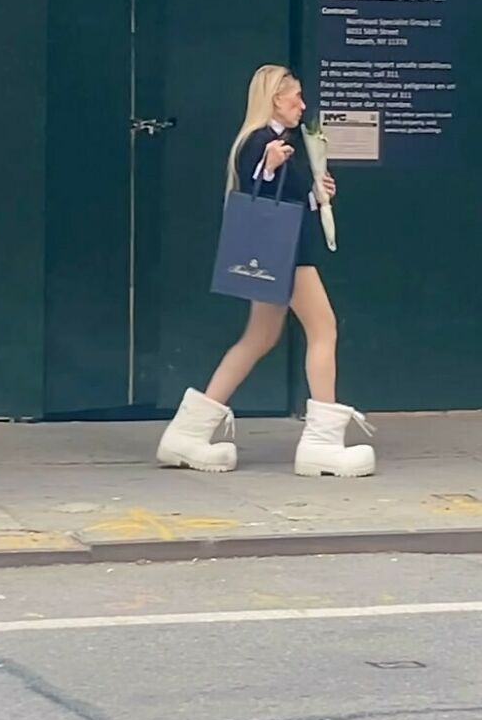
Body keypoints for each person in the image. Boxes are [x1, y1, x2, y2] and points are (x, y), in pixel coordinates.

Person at [157, 64, 375, 478]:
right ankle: (323, 444)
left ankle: (187, 433)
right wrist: (270, 166)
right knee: (323, 328)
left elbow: (280, 196)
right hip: (288, 253)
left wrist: (315, 194)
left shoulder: (277, 141)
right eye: (296, 97)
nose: (302, 105)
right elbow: (256, 180)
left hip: (278, 252)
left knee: (259, 337)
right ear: (276, 98)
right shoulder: (261, 142)